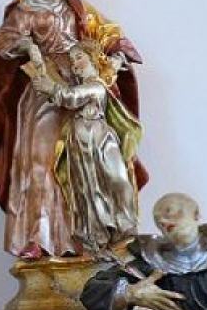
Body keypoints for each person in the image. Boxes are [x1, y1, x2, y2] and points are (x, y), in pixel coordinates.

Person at [0, 0, 146, 259]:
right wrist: (28, 45)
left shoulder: (76, 8)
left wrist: (115, 55)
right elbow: (2, 41)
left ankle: (81, 239)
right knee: (41, 161)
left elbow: (109, 34)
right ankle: (39, 237)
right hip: (43, 92)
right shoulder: (25, 9)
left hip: (78, 90)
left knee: (81, 165)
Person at [29, 42, 140, 254]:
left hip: (100, 137)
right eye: (72, 61)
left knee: (116, 179)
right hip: (80, 139)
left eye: (79, 57)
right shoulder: (86, 86)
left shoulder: (97, 86)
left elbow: (73, 96)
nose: (75, 64)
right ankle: (95, 234)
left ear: (94, 60)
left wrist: (51, 88)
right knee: (86, 186)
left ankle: (124, 224)